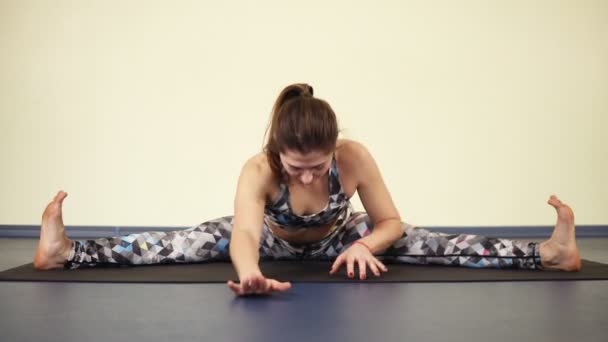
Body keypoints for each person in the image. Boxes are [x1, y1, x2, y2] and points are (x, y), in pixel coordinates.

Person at [33, 83, 582, 296]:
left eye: (317, 166)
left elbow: (391, 221)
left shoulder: (354, 156)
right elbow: (245, 232)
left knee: (429, 242)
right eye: (297, 167)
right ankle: (66, 252)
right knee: (184, 242)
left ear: (332, 148)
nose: (307, 176)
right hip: (272, 242)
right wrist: (248, 270)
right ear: (279, 153)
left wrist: (366, 244)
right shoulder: (258, 169)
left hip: (340, 238)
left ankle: (549, 254)